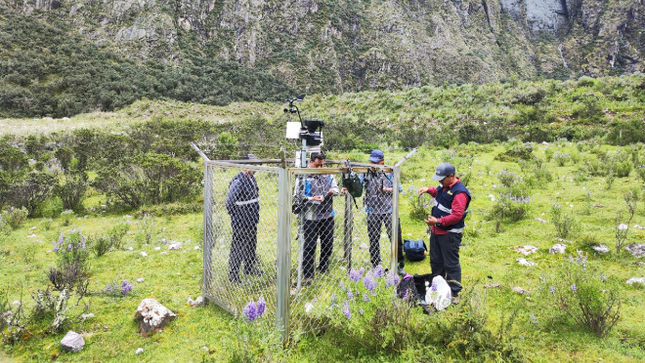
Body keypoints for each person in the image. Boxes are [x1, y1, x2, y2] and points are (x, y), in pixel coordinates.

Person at [418, 162, 471, 305]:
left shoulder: (460, 193)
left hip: (450, 234)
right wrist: (429, 190)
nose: (439, 181)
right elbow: (440, 195)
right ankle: (437, 287)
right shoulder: (444, 186)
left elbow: (457, 216)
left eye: (442, 179)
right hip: (437, 231)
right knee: (436, 261)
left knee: (451, 263)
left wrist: (438, 222)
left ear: (451, 176)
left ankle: (453, 293)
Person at [295, 152, 339, 285]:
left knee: (328, 243)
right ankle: (308, 275)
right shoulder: (303, 176)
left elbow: (335, 187)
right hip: (311, 216)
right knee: (310, 245)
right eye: (317, 165)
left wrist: (333, 191)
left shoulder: (328, 174)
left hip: (327, 215)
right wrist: (311, 198)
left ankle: (323, 266)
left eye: (322, 165)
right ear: (310, 161)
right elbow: (297, 196)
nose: (320, 168)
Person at [362, 149, 406, 275]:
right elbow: (358, 186)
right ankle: (376, 265)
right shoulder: (365, 172)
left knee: (395, 238)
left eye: (376, 162)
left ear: (382, 161)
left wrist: (386, 189)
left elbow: (399, 189)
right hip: (372, 210)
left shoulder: (390, 171)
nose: (373, 164)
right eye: (371, 161)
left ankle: (399, 265)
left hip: (389, 210)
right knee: (373, 239)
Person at [226, 154, 262, 284]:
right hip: (241, 221)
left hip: (252, 219)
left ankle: (249, 268)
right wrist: (233, 214)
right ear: (246, 166)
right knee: (238, 247)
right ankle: (234, 276)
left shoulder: (252, 178)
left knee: (251, 244)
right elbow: (229, 202)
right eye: (254, 166)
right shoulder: (238, 181)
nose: (256, 169)